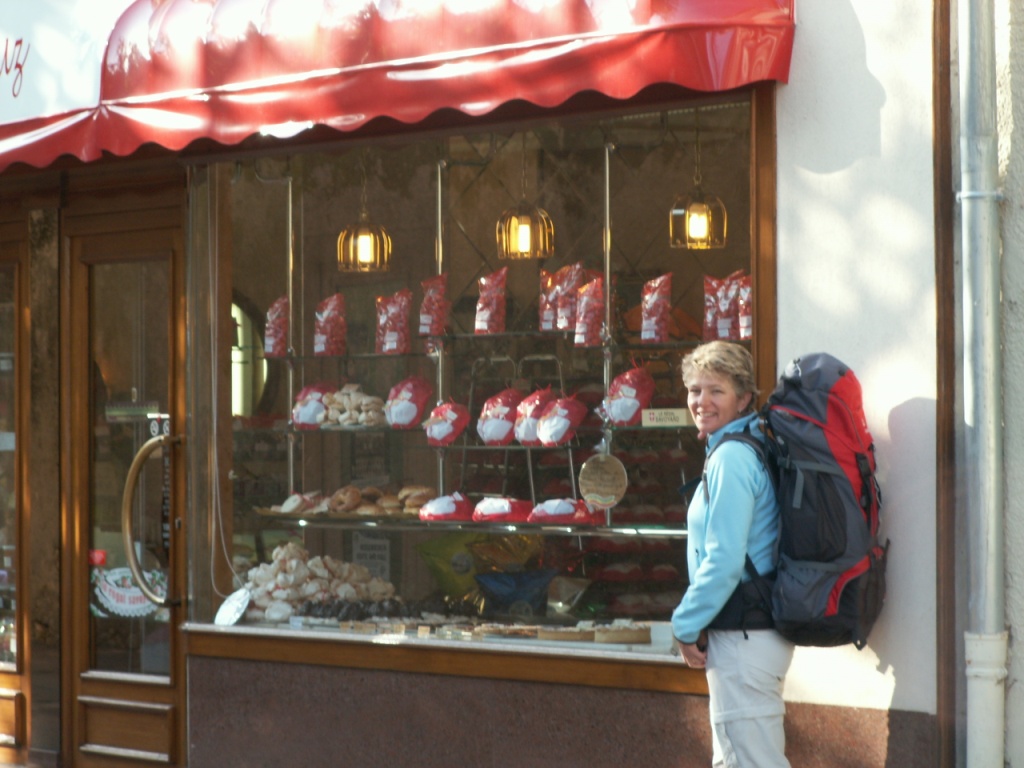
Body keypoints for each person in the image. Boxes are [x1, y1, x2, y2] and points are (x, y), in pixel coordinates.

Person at [671, 341, 793, 768]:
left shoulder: (733, 458)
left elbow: (723, 560)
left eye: (715, 391)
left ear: (743, 398)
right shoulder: (747, 446)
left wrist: (685, 625)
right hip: (749, 636)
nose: (701, 401)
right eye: (694, 390)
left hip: (744, 639)